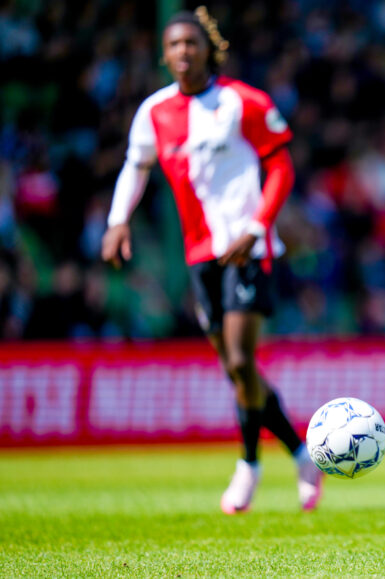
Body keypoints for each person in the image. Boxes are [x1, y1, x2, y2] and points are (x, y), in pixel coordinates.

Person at [101, 7, 323, 514]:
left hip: (247, 247)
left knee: (242, 360)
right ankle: (299, 453)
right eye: (174, 45)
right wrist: (118, 220)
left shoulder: (243, 102)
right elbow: (135, 167)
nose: (183, 52)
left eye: (191, 43)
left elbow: (281, 167)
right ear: (165, 54)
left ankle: (249, 464)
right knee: (234, 369)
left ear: (208, 49)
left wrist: (255, 226)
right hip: (199, 255)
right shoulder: (154, 112)